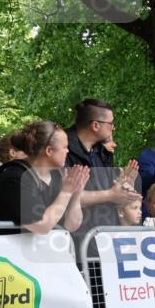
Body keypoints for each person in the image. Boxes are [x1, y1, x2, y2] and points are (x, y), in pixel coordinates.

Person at [0, 121, 89, 235]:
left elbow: (71, 225)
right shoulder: (14, 177)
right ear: (49, 151)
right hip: (10, 251)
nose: (68, 151)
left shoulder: (56, 176)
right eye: (65, 147)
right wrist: (66, 192)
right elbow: (41, 226)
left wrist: (75, 193)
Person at [65, 99, 141, 238]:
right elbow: (64, 195)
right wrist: (110, 195)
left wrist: (123, 184)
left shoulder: (101, 151)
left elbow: (106, 189)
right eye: (111, 123)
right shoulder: (63, 150)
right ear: (95, 125)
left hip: (104, 233)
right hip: (77, 238)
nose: (113, 128)